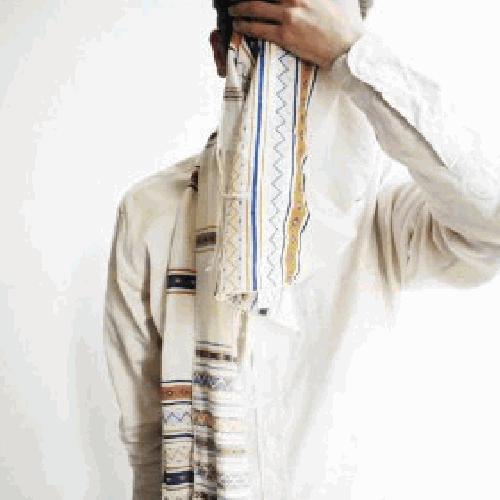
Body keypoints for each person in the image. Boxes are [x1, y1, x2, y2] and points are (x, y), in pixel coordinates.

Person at [103, 1, 500, 499]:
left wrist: (356, 55)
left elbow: (492, 222)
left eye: (314, 59)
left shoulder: (378, 207)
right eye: (271, 54)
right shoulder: (151, 213)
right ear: (221, 53)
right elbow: (149, 442)